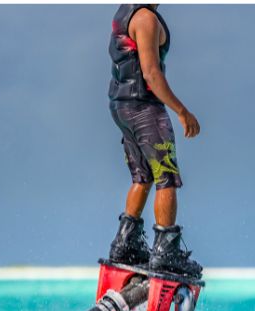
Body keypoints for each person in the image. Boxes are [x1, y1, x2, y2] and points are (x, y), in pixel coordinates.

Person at [107, 4, 202, 277]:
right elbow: (150, 73)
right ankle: (165, 253)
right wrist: (182, 111)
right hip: (144, 107)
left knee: (142, 176)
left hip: (121, 106)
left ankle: (125, 244)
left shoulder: (124, 13)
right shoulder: (146, 19)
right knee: (166, 176)